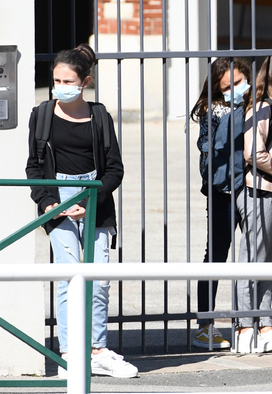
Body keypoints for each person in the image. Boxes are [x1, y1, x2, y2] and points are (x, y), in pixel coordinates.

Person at [25, 44, 137, 378]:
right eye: (56, 79)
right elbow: (34, 167)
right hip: (57, 202)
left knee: (98, 279)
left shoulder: (100, 116)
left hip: (95, 200)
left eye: (68, 80)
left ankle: (98, 351)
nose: (61, 86)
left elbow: (114, 169)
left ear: (84, 81)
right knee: (68, 277)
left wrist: (89, 200)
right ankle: (70, 354)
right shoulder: (42, 115)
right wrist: (49, 203)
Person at [233, 56, 272, 354]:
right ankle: (245, 325)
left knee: (268, 258)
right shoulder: (262, 107)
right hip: (259, 190)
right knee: (252, 258)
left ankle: (265, 320)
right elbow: (253, 153)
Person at [190, 57, 251, 350]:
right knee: (215, 254)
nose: (234, 90)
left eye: (238, 83)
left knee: (254, 255)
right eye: (227, 87)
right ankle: (205, 325)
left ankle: (251, 323)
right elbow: (206, 147)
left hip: (253, 187)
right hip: (222, 189)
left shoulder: (257, 105)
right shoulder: (211, 109)